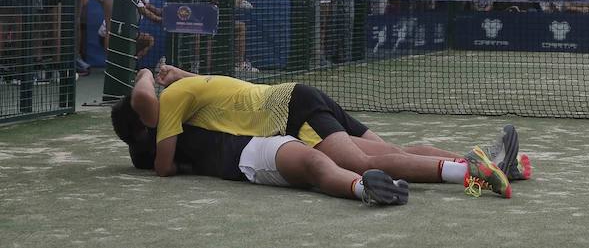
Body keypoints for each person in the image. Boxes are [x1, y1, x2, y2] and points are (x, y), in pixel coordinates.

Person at [146, 65, 521, 198]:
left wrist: (145, 78)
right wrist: (178, 73)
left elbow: (164, 165)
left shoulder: (175, 101)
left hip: (293, 111)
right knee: (396, 152)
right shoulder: (198, 87)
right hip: (304, 96)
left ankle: (472, 174)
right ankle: (496, 166)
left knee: (363, 163)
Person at [112, 69, 410, 206]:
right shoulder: (170, 116)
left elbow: (204, 89)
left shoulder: (177, 105)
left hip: (273, 121)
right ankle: (369, 188)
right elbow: (143, 99)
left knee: (367, 157)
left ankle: (454, 169)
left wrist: (165, 73)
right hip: (253, 141)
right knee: (328, 161)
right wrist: (148, 71)